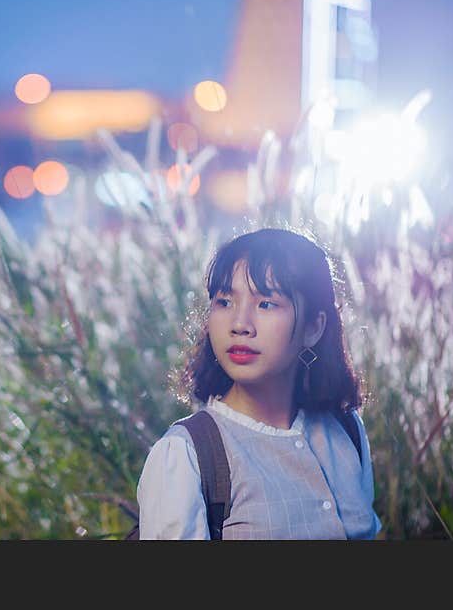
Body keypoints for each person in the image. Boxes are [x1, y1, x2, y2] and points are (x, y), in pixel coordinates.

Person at [136, 228, 382, 539]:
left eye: (266, 304)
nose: (239, 324)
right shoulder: (187, 454)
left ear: (313, 328)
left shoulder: (346, 430)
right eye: (224, 301)